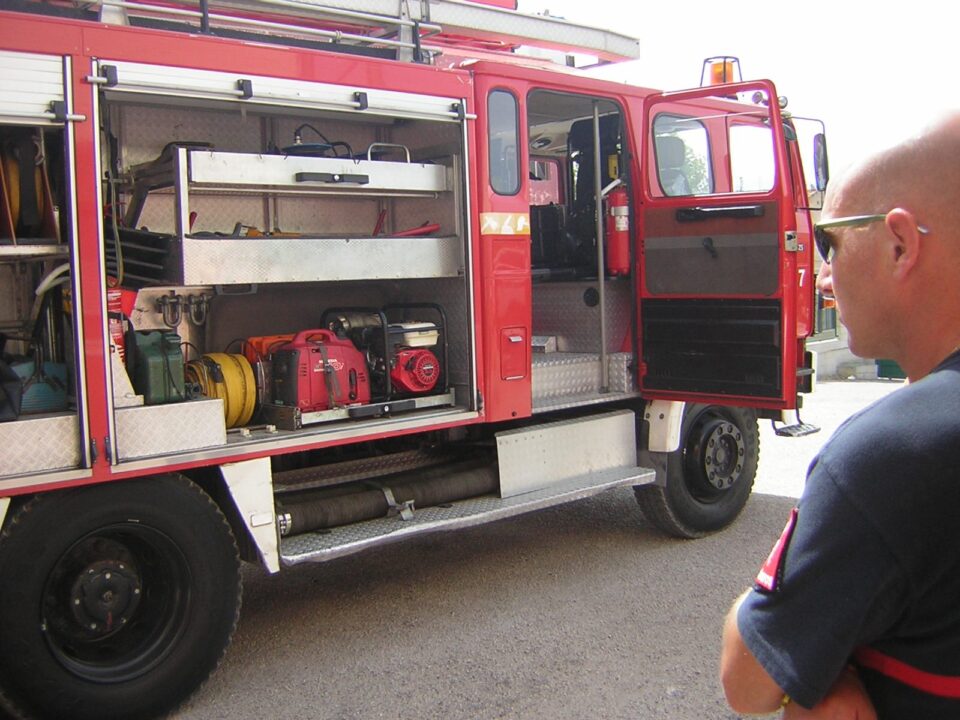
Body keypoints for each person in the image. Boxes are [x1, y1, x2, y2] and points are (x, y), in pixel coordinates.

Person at [719, 112, 960, 719]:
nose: (823, 278)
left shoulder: (894, 457)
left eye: (831, 242)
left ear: (900, 245)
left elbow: (748, 683)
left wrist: (830, 672)